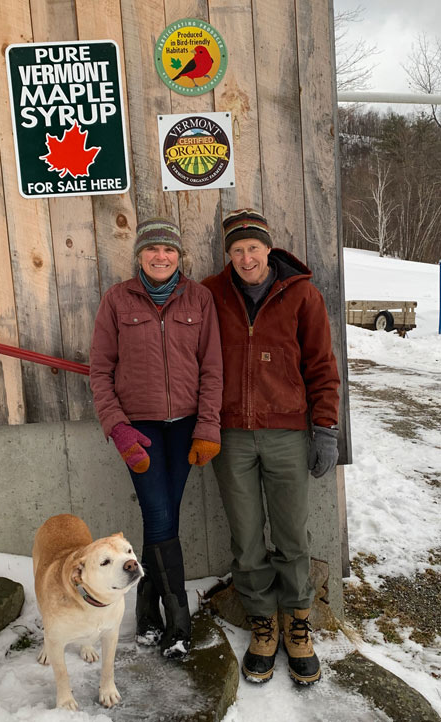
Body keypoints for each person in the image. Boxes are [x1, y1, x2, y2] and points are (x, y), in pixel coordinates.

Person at [202, 208, 340, 686]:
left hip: (287, 434)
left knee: (291, 535)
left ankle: (297, 623)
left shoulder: (301, 293)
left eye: (253, 248)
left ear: (267, 248)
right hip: (231, 435)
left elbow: (322, 365)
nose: (246, 258)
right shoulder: (211, 293)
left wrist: (325, 429)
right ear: (229, 254)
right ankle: (263, 623)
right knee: (245, 537)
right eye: (237, 250)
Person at [89, 218, 223, 659]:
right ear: (140, 256)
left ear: (179, 256)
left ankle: (146, 611)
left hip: (185, 427)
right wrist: (118, 427)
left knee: (159, 520)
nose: (161, 257)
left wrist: (207, 426)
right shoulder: (117, 299)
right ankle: (179, 620)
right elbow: (101, 371)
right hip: (138, 429)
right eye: (152, 250)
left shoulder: (199, 298)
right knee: (162, 518)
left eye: (169, 250)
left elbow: (212, 369)